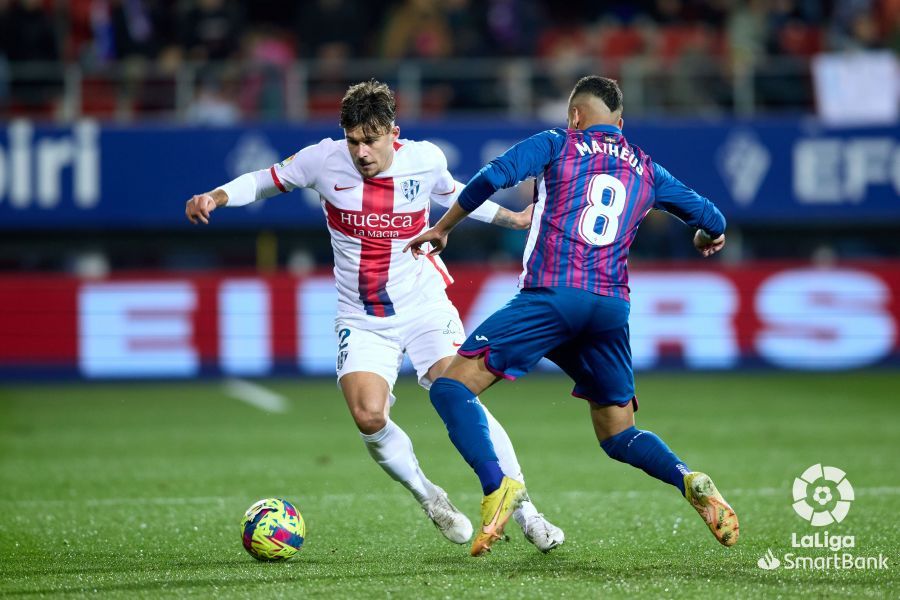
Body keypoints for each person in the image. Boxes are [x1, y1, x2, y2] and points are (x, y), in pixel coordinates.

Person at [185, 80, 565, 552]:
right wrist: (216, 196)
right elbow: (264, 180)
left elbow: (456, 195)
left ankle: (527, 512)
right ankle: (429, 496)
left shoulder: (424, 159)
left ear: (393, 133)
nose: (361, 152)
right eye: (353, 141)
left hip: (424, 305)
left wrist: (515, 218)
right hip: (362, 315)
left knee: (457, 390)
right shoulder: (322, 160)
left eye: (370, 140)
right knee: (368, 415)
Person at [404, 75, 738, 557]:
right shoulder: (647, 168)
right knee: (619, 434)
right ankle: (687, 478)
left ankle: (498, 485)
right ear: (620, 123)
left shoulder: (557, 142)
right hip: (609, 309)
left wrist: (444, 226)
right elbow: (713, 219)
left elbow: (492, 176)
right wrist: (706, 236)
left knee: (451, 388)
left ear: (575, 116)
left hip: (552, 297)